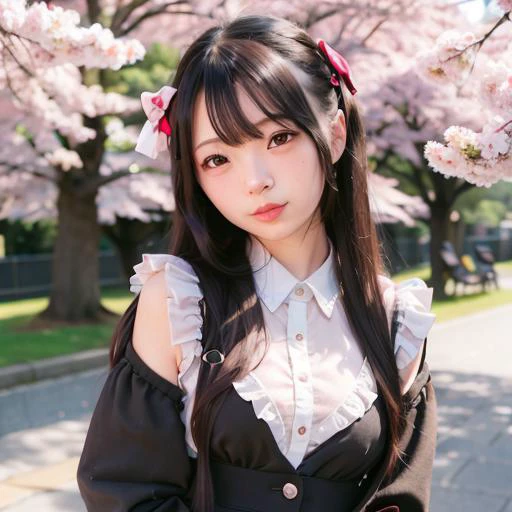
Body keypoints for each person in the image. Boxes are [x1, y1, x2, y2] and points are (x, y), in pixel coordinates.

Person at [77, 13, 438, 512]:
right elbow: (125, 492)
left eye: (279, 137)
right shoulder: (179, 303)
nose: (255, 180)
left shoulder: (396, 320)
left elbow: (400, 500)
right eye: (217, 159)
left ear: (333, 136)